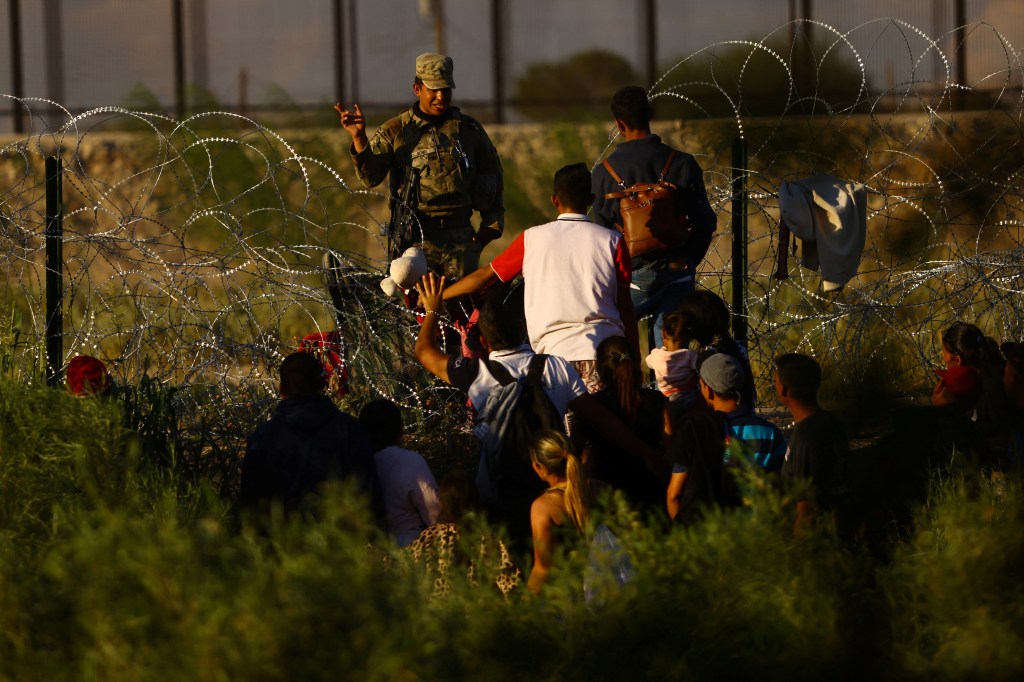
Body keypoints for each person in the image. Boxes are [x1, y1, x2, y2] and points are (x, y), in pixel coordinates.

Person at [415, 272, 659, 545]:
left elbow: (424, 351)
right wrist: (645, 451)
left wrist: (432, 310)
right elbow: (601, 420)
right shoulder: (555, 366)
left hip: (499, 496)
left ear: (483, 342)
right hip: (552, 491)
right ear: (521, 328)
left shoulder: (475, 372)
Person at [442, 162, 637, 392]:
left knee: (563, 427)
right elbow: (625, 307)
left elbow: (486, 276)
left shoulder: (531, 239)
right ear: (591, 200)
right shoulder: (613, 241)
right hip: (608, 356)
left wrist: (440, 296)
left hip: (553, 361)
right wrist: (634, 357)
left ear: (554, 200)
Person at [335, 53, 503, 279]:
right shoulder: (396, 131)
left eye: (446, 89)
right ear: (417, 89)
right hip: (416, 241)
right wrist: (359, 139)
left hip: (461, 239)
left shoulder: (468, 130)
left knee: (462, 309)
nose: (440, 96)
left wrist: (488, 230)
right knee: (419, 310)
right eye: (433, 90)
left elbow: (492, 175)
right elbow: (370, 178)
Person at [591, 85, 717, 350]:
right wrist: (689, 260)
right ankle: (671, 392)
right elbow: (706, 222)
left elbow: (600, 236)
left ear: (618, 123)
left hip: (631, 277)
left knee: (616, 348)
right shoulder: (682, 163)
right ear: (650, 113)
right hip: (677, 270)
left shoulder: (604, 173)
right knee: (672, 357)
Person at [240, 352, 383, 517]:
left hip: (285, 538)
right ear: (322, 384)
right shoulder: (348, 429)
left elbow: (252, 505)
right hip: (341, 536)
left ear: (281, 388)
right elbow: (368, 495)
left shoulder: (264, 437)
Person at [666, 353, 785, 522]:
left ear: (707, 390)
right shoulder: (769, 432)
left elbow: (673, 494)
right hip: (755, 531)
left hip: (707, 530)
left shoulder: (696, 430)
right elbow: (778, 489)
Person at [774, 353, 853, 534]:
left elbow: (807, 510)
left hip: (818, 540)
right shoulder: (830, 423)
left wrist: (797, 554)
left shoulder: (806, 437)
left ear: (784, 390)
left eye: (776, 382)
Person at [589, 335, 668, 512]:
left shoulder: (592, 408)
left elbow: (584, 456)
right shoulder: (656, 401)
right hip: (653, 497)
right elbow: (670, 446)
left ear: (600, 369)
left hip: (608, 503)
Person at [358, 399, 441, 547]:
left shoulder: (356, 464)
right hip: (412, 548)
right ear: (400, 430)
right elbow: (435, 515)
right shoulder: (410, 461)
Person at [526, 430, 590, 594]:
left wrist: (524, 610)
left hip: (569, 597)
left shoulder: (544, 507)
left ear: (542, 468)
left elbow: (542, 569)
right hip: (606, 588)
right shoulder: (598, 489)